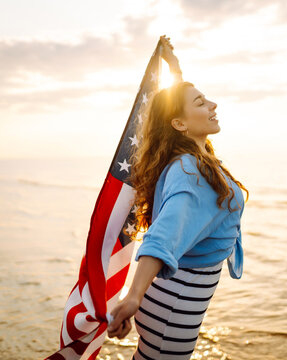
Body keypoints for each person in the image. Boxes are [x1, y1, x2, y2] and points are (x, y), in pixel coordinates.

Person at [106, 35, 249, 360]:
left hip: (175, 299)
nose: (212, 105)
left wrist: (174, 67)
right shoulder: (190, 171)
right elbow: (163, 236)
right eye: (201, 103)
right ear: (179, 123)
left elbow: (176, 103)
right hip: (174, 307)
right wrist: (133, 296)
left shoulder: (189, 155)